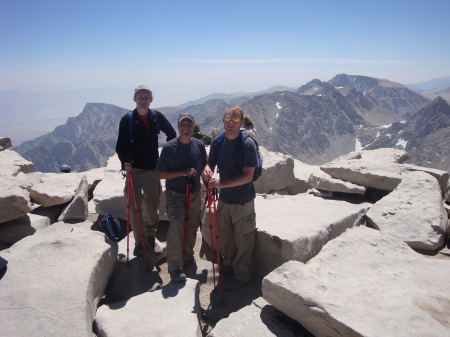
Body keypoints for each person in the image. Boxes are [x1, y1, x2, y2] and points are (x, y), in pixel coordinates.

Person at [201, 106, 258, 291]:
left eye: (235, 120)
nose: (230, 123)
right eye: (227, 119)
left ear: (241, 123)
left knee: (244, 240)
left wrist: (221, 183)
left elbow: (248, 176)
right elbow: (211, 163)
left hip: (243, 201)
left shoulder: (247, 144)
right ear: (223, 120)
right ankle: (229, 267)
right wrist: (208, 169)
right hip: (225, 200)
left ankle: (242, 277)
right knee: (226, 237)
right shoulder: (218, 141)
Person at [115, 84, 176, 257]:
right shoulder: (127, 119)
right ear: (134, 99)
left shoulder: (156, 117)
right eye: (140, 97)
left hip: (152, 170)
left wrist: (165, 156)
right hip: (134, 171)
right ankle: (139, 242)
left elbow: (171, 134)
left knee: (151, 208)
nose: (143, 100)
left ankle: (150, 236)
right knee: (135, 209)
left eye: (146, 97)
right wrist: (125, 162)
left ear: (151, 99)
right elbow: (121, 146)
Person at [157, 113, 207, 282]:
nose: (186, 127)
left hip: (194, 193)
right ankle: (175, 267)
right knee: (177, 224)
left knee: (192, 226)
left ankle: (187, 256)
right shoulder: (170, 148)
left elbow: (204, 165)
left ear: (194, 127)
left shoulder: (199, 146)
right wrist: (181, 173)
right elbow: (160, 173)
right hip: (175, 194)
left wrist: (207, 173)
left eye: (189, 125)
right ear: (178, 127)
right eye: (183, 125)